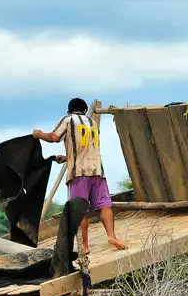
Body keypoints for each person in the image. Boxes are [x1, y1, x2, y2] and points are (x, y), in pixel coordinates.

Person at [34, 97, 127, 253]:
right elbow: (85, 147)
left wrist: (40, 134)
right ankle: (112, 236)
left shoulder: (68, 120)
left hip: (79, 173)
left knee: (79, 209)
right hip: (97, 171)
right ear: (85, 110)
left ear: (69, 111)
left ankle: (84, 247)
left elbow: (54, 137)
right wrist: (67, 157)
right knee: (104, 206)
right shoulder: (92, 123)